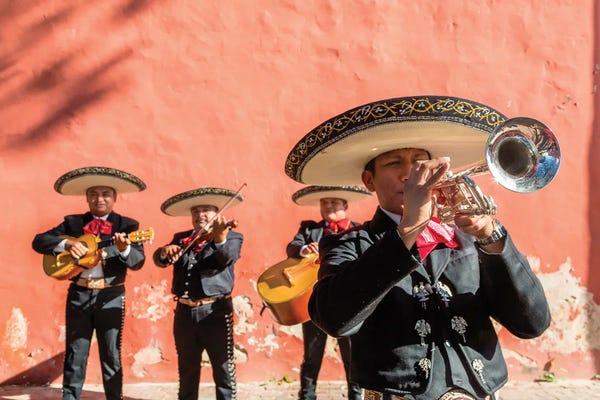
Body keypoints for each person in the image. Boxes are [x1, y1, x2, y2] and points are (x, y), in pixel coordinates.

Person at [284, 96, 553, 400]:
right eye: (393, 163)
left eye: (419, 162)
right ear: (368, 181)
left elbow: (532, 323)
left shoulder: (467, 237)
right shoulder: (349, 242)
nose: (410, 173)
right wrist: (408, 230)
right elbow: (335, 320)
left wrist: (492, 238)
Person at [32, 166, 147, 400]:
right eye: (94, 193)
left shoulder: (128, 226)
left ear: (114, 198)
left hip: (111, 296)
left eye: (106, 193)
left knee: (111, 354)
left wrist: (124, 250)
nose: (100, 198)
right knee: (76, 352)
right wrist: (66, 245)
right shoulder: (73, 223)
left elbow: (137, 262)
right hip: (79, 293)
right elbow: (39, 241)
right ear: (87, 197)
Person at [153, 187, 244, 400]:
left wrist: (220, 237)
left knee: (223, 369)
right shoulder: (181, 238)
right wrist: (164, 251)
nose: (200, 215)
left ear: (217, 214)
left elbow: (226, 258)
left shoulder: (232, 237)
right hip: (184, 312)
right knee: (187, 370)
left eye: (206, 210)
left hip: (216, 312)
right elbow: (160, 260)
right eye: (195, 211)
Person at [286, 185, 371, 400]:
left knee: (352, 357)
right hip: (315, 301)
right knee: (312, 356)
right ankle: (307, 396)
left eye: (334, 202)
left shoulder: (359, 230)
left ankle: (356, 396)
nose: (328, 206)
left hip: (350, 303)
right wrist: (305, 249)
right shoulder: (309, 229)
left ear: (345, 205)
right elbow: (292, 247)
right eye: (324, 202)